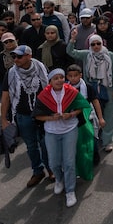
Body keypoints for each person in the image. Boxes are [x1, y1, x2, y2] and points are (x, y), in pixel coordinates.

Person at [32, 69, 92, 207]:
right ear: (50, 81)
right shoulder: (43, 95)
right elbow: (37, 115)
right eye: (55, 78)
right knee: (53, 162)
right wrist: (50, 118)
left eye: (61, 77)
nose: (59, 80)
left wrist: (70, 115)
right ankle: (59, 180)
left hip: (70, 129)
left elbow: (82, 106)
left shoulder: (71, 91)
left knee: (69, 162)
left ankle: (70, 191)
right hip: (51, 131)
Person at [0, 45, 51, 187]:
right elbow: (5, 98)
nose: (15, 59)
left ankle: (51, 169)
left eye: (19, 56)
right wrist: (4, 119)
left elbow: (50, 89)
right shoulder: (10, 74)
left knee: (46, 144)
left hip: (43, 115)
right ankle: (37, 171)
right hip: (23, 116)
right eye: (14, 56)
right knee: (31, 146)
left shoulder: (41, 68)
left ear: (29, 56)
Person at [66, 32, 113, 153]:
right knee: (93, 114)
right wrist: (72, 39)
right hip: (91, 88)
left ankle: (107, 141)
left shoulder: (109, 55)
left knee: (108, 115)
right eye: (93, 44)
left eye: (98, 43)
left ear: (102, 43)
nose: (96, 46)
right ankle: (95, 138)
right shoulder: (87, 54)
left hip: (107, 87)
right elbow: (70, 52)